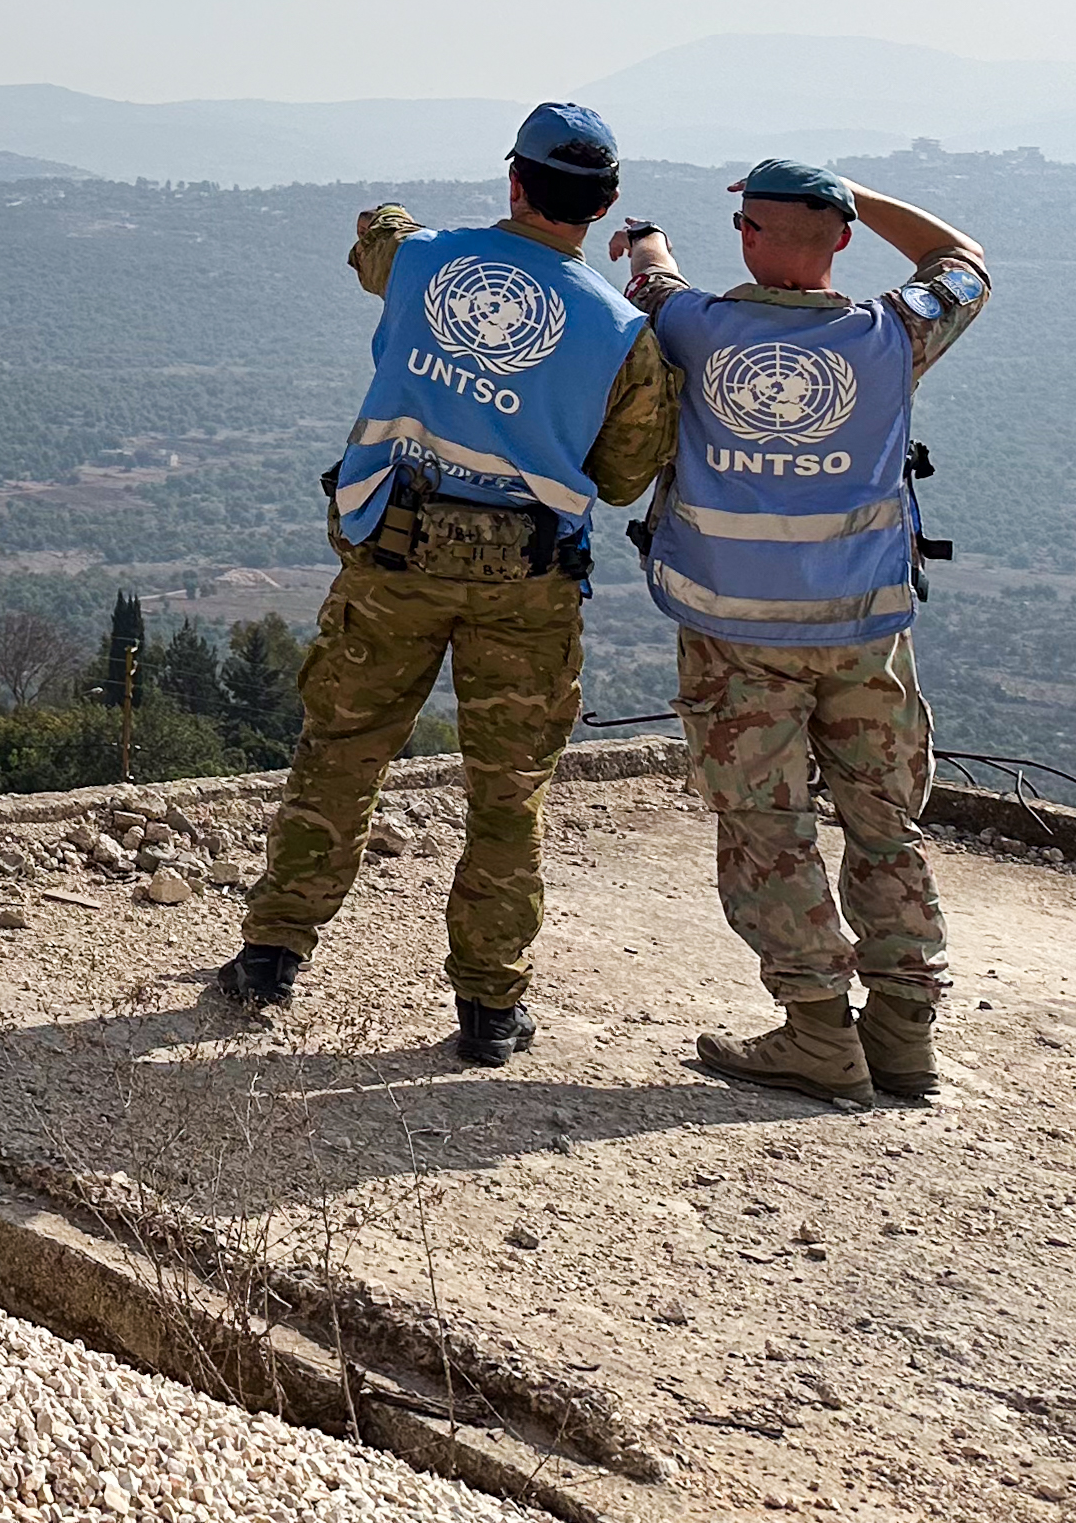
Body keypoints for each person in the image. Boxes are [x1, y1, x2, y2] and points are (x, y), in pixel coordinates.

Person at [218, 103, 677, 1065]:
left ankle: (269, 956)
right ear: (604, 206)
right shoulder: (620, 331)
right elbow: (629, 472)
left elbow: (375, 234)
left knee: (340, 755)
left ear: (513, 182)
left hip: (394, 559)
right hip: (525, 584)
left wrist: (391, 212)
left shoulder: (425, 262)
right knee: (507, 795)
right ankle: (487, 1011)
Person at [611, 164, 985, 1108]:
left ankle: (818, 1034)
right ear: (845, 241)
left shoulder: (696, 327)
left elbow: (652, 278)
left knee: (767, 831)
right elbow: (962, 260)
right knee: (884, 824)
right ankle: (901, 1040)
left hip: (734, 631)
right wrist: (857, 191)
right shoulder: (889, 335)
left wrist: (646, 236)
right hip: (864, 629)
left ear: (743, 233)